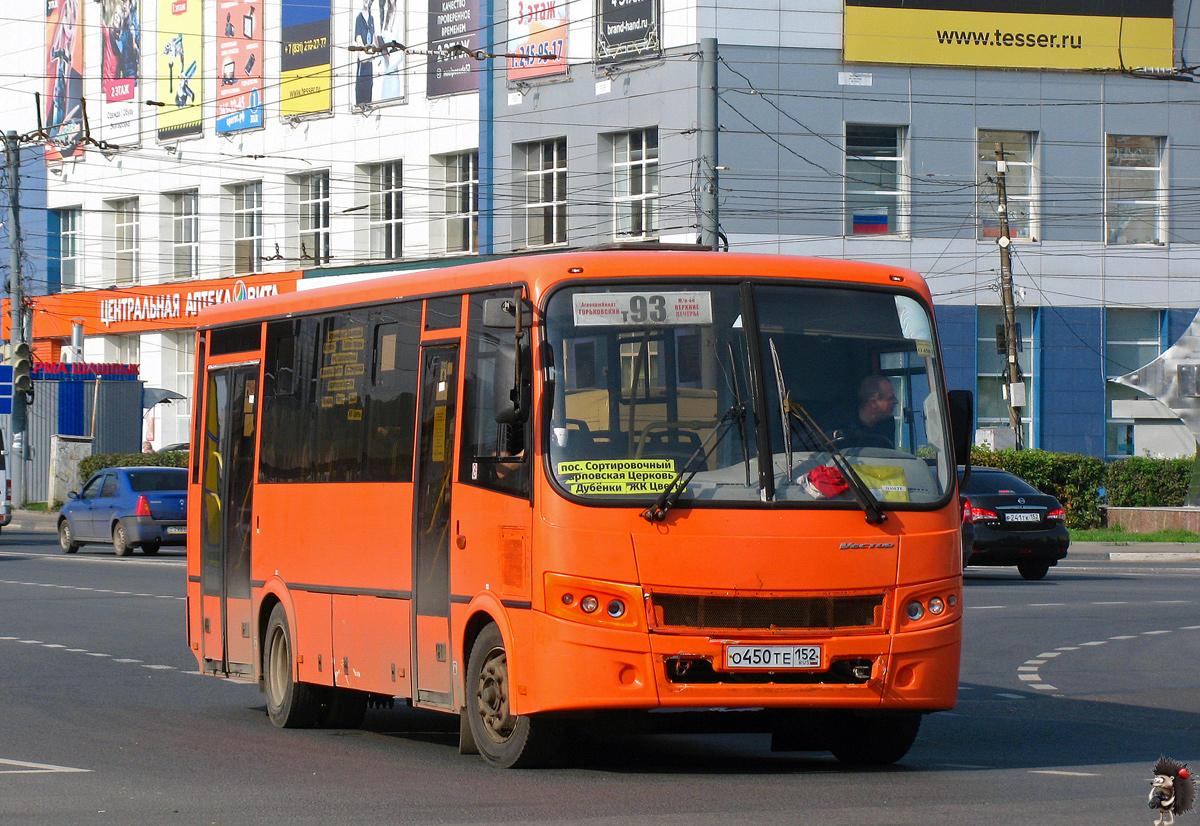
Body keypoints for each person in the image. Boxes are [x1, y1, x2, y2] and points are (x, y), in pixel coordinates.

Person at [834, 374, 897, 447]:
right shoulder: (840, 422)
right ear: (873, 403)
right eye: (890, 398)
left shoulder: (888, 423)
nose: (896, 401)